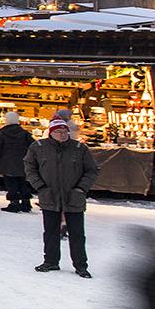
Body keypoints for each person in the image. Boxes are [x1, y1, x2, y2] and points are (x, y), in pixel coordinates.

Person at [26, 113, 101, 276]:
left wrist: (81, 188)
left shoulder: (79, 148)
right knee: (51, 231)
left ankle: (81, 265)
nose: (62, 134)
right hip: (49, 196)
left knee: (77, 234)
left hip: (74, 196)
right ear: (51, 132)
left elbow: (92, 170)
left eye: (65, 131)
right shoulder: (38, 147)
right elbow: (30, 167)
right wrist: (40, 186)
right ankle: (51, 261)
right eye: (58, 131)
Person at [0, 110, 35, 213]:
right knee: (23, 182)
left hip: (7, 163)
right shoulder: (25, 134)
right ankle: (26, 203)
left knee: (11, 183)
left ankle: (14, 203)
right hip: (23, 163)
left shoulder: (2, 133)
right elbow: (33, 146)